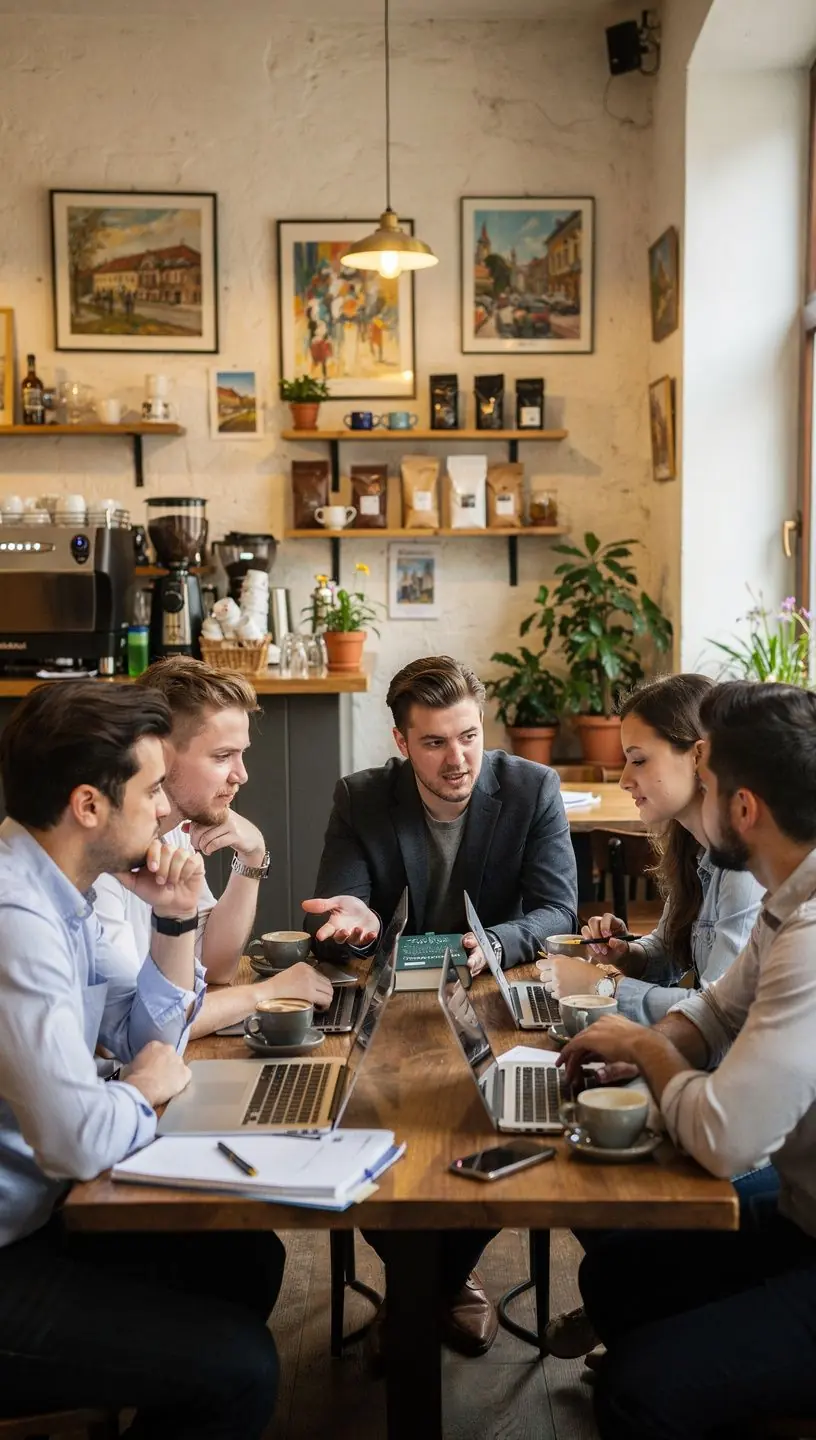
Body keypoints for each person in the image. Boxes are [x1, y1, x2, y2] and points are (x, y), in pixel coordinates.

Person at [0, 680, 283, 1438]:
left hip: (39, 1215)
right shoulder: (15, 920)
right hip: (11, 1249)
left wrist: (174, 916)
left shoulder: (70, 888)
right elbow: (76, 1140)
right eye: (154, 789)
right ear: (89, 804)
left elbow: (144, 1038)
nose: (167, 810)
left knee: (248, 1260)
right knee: (242, 1370)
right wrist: (145, 1088)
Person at [557, 681, 816, 1439]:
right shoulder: (787, 896)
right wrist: (654, 1046)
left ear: (743, 808)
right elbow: (713, 1008)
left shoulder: (808, 933)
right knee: (615, 1275)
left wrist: (639, 1043)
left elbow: (725, 1136)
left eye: (706, 779)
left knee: (641, 1392)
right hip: (804, 1207)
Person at [303, 654, 578, 1360]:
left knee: (499, 1136)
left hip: (487, 993)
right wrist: (352, 916)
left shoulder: (532, 787)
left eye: (468, 736)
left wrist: (495, 944)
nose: (457, 759)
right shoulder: (362, 796)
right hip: (391, 1002)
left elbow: (557, 909)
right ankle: (439, 1284)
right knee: (363, 1140)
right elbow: (342, 904)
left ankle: (428, 1289)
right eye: (434, 742)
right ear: (401, 742)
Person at [538, 673, 766, 1361]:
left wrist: (608, 995)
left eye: (639, 758)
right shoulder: (699, 850)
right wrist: (624, 957)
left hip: (732, 1089)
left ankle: (646, 1313)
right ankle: (642, 1308)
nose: (625, 775)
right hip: (704, 1067)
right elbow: (674, 955)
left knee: (581, 1151)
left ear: (697, 757)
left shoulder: (755, 869)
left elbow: (724, 1006)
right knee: (572, 1132)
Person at [94, 656, 331, 1037]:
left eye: (241, 753)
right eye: (223, 756)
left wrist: (252, 856)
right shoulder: (101, 862)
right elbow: (140, 1030)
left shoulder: (172, 833)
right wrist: (268, 993)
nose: (241, 775)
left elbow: (214, 963)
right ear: (158, 753)